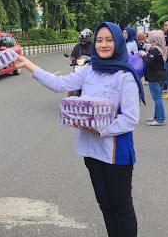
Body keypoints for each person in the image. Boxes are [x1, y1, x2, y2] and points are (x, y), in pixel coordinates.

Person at [14, 22, 145, 237]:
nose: (103, 44)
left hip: (116, 153)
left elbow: (130, 119)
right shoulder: (89, 69)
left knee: (121, 206)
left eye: (109, 40)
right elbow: (58, 84)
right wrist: (28, 64)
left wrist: (100, 130)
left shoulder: (125, 76)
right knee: (105, 204)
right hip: (91, 151)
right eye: (100, 40)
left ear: (118, 43)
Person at [140, 30, 167, 126]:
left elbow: (148, 62)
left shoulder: (154, 50)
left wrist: (143, 55)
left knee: (157, 99)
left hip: (154, 76)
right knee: (158, 98)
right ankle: (156, 116)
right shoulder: (162, 48)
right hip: (161, 75)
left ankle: (160, 119)